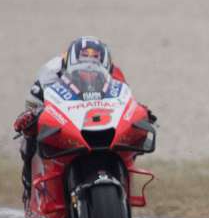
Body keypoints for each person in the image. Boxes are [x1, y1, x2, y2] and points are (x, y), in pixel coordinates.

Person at [13, 36, 155, 207]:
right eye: (83, 60)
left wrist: (140, 111)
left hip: (96, 118)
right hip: (64, 117)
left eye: (94, 61)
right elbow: (32, 103)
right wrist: (31, 116)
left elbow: (124, 99)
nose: (89, 66)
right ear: (68, 62)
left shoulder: (115, 74)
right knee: (29, 137)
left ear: (106, 65)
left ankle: (123, 181)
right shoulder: (50, 72)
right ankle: (29, 191)